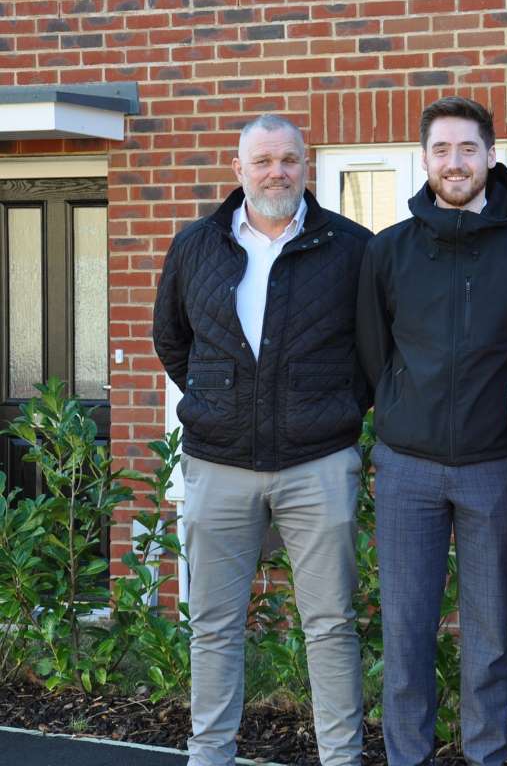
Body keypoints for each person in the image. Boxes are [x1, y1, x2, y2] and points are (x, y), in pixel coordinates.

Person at [152, 114, 371, 766]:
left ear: (306, 166)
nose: (277, 172)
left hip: (319, 461)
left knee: (330, 626)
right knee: (214, 626)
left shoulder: (352, 247)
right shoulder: (196, 246)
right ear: (239, 169)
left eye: (289, 161)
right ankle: (210, 756)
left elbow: (374, 353)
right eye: (263, 161)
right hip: (218, 463)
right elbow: (173, 339)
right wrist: (225, 401)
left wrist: (330, 407)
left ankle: (342, 758)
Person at [356, 96, 507, 766]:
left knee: (489, 637)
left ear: (491, 156)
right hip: (407, 468)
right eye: (441, 150)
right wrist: (395, 414)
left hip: (495, 469)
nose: (454, 162)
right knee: (406, 632)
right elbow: (371, 351)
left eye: (467, 149)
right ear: (424, 159)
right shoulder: (388, 252)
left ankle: (487, 756)